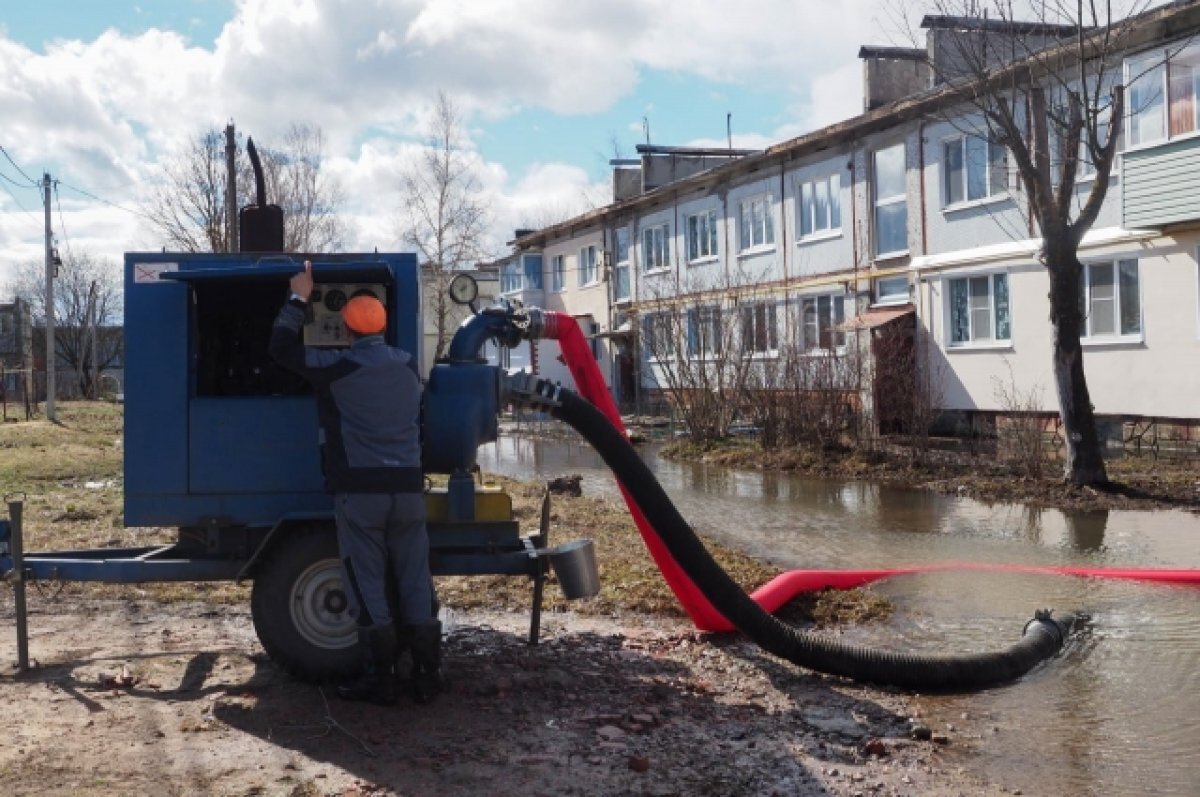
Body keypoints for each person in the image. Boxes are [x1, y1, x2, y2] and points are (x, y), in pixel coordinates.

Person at [269, 260, 442, 706]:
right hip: (407, 490)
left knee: (366, 582)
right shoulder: (407, 369)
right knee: (414, 579)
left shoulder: (337, 368)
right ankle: (427, 676)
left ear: (346, 328)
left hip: (361, 494)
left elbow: (281, 348)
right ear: (383, 326)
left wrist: (299, 298)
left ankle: (380, 678)